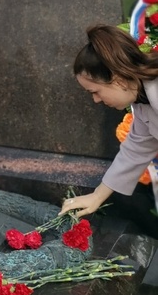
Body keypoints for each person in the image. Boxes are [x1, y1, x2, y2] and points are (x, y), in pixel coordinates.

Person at [60, 23, 158, 219]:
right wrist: (97, 196)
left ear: (117, 78)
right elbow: (136, 149)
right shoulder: (143, 102)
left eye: (95, 92)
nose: (96, 100)